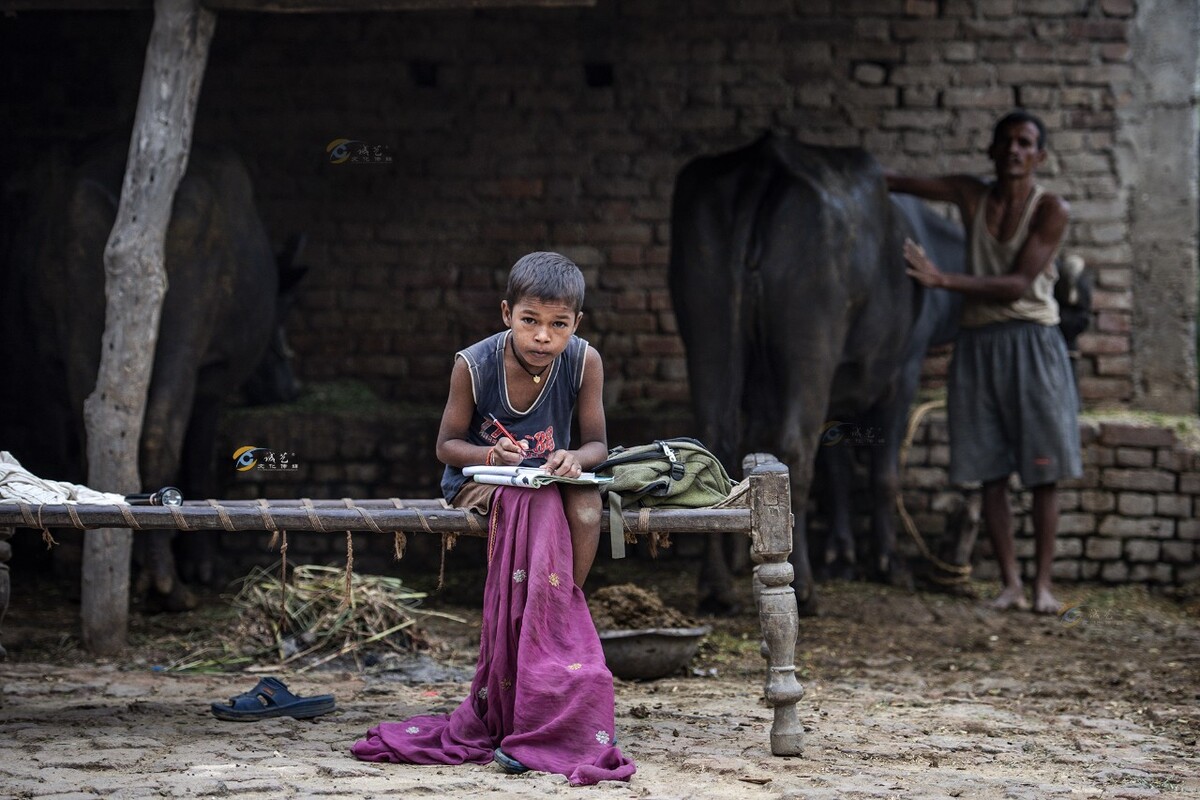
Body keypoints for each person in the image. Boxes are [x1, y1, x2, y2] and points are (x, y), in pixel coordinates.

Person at [352, 251, 635, 785]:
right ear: (507, 313)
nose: (543, 336)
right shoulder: (474, 364)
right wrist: (489, 458)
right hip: (484, 483)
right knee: (538, 502)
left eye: (558, 325)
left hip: (547, 477)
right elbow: (445, 446)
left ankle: (556, 610)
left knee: (587, 503)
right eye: (530, 321)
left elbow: (598, 442)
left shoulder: (584, 361)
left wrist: (574, 459)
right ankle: (542, 622)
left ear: (577, 324)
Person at [887, 110, 1083, 615]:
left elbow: (1018, 284)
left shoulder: (1051, 209)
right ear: (992, 152)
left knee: (1042, 471)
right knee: (990, 470)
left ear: (1039, 156)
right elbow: (899, 180)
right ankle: (1011, 585)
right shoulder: (971, 193)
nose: (1015, 150)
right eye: (1006, 142)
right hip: (977, 345)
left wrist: (942, 279)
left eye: (1025, 143)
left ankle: (1042, 586)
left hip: (1033, 343)